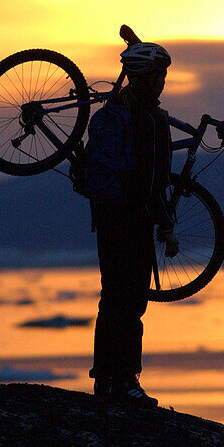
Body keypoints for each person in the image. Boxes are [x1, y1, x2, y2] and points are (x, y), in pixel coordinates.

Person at [83, 40, 179, 407]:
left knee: (112, 298)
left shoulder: (113, 111)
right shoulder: (151, 120)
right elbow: (153, 181)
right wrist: (166, 225)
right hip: (134, 216)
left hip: (106, 215)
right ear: (149, 78)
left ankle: (104, 379)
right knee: (132, 301)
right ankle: (125, 381)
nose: (163, 82)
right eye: (161, 75)